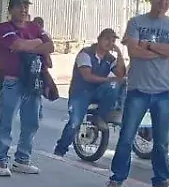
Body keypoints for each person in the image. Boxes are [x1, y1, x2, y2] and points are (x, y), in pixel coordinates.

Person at [103, 0, 169, 187]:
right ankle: (117, 178)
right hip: (138, 88)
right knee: (127, 136)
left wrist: (148, 45)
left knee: (161, 141)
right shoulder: (136, 22)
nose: (163, 1)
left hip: (163, 90)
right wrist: (160, 51)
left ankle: (160, 180)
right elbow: (135, 53)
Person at [0, 0, 57, 176]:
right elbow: (17, 45)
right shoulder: (4, 28)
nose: (23, 9)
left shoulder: (35, 27)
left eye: (26, 6)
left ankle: (22, 159)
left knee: (31, 121)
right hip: (12, 79)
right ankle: (1, 160)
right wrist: (36, 43)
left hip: (33, 79)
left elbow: (50, 46)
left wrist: (32, 44)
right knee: (6, 121)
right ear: (11, 9)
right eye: (19, 6)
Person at [54, 28, 126, 157]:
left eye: (113, 40)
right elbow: (87, 76)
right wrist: (108, 79)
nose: (110, 43)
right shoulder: (85, 54)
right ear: (99, 39)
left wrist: (120, 53)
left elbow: (121, 74)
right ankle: (60, 150)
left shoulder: (110, 58)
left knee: (117, 84)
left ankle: (101, 117)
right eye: (107, 39)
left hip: (98, 92)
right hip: (80, 93)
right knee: (75, 123)